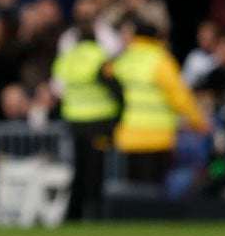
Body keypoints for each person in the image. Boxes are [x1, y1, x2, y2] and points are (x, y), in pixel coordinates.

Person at [111, 16, 210, 186]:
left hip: (128, 135)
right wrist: (199, 121)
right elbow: (180, 96)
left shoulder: (122, 61)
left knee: (131, 190)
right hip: (157, 137)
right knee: (152, 190)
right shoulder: (160, 60)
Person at [51, 15, 121, 221]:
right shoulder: (101, 57)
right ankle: (95, 212)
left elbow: (57, 87)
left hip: (74, 121)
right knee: (96, 169)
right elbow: (115, 86)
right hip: (99, 121)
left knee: (79, 168)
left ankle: (74, 213)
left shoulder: (67, 58)